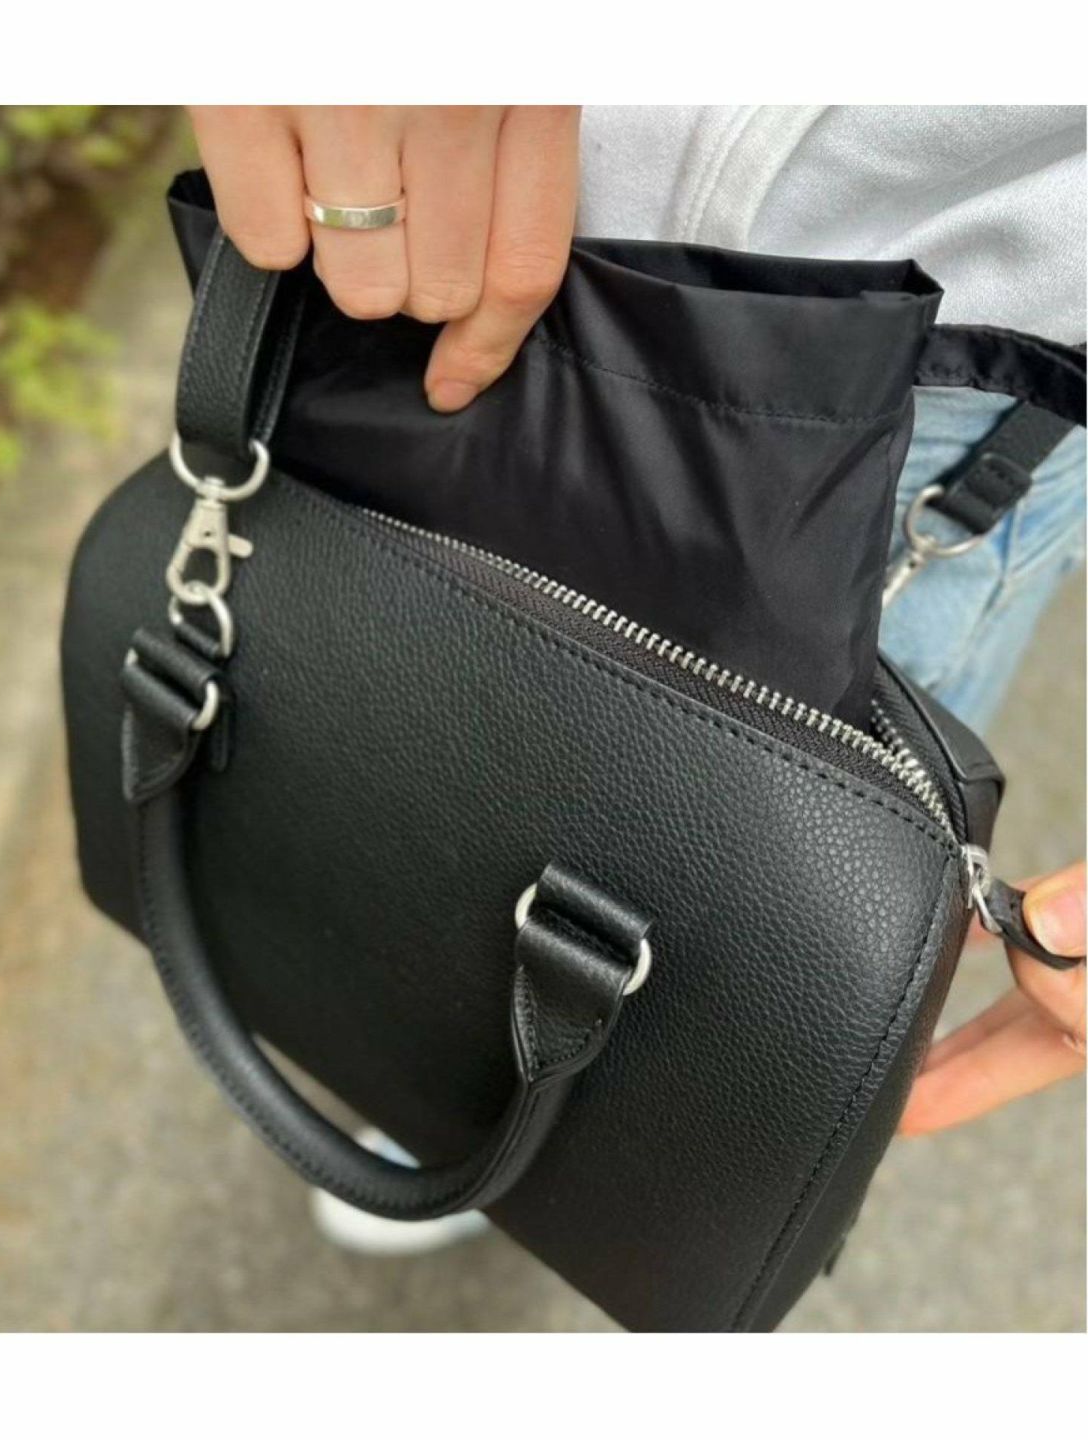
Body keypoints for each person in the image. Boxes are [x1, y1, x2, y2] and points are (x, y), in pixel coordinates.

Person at [188, 104, 1086, 1252]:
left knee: (701, 905)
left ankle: (533, 1121)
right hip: (430, 225)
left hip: (930, 408)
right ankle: (435, 1063)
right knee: (404, 728)